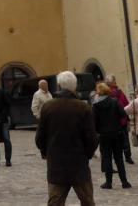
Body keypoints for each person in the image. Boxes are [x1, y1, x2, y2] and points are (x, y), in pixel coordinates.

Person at [35, 70, 98, 206]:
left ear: (59, 86)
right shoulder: (83, 107)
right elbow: (91, 137)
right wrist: (87, 154)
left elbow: (40, 136)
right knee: (87, 200)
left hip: (56, 162)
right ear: (74, 87)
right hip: (78, 162)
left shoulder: (48, 107)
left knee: (55, 202)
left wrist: (46, 152)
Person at [92, 83, 132, 190]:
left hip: (104, 135)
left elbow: (94, 121)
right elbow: (123, 114)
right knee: (119, 158)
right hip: (116, 133)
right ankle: (124, 182)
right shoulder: (114, 101)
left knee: (107, 158)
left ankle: (108, 182)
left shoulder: (95, 105)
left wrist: (98, 130)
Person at [104, 74, 133, 164]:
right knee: (125, 139)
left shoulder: (105, 94)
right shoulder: (120, 93)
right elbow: (126, 104)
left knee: (114, 140)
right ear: (113, 83)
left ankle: (116, 156)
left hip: (111, 121)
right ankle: (128, 157)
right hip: (122, 120)